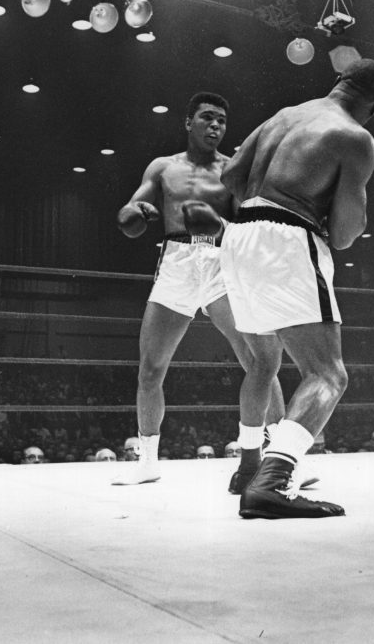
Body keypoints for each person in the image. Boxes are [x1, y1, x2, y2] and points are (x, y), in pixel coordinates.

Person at [217, 58, 374, 518]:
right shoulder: (356, 137)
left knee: (263, 364)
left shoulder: (284, 115)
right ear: (373, 105)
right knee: (328, 374)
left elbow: (231, 174)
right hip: (286, 237)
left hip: (237, 237)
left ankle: (249, 464)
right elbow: (348, 231)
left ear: (339, 83)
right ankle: (272, 482)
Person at [112, 92, 287, 489]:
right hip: (176, 262)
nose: (216, 126)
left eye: (222, 121)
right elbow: (128, 211)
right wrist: (134, 214)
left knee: (259, 358)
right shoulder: (163, 167)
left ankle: (279, 458)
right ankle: (148, 461)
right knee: (151, 367)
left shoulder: (232, 169)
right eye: (207, 118)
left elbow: (252, 224)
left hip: (222, 262)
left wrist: (225, 225)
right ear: (188, 121)